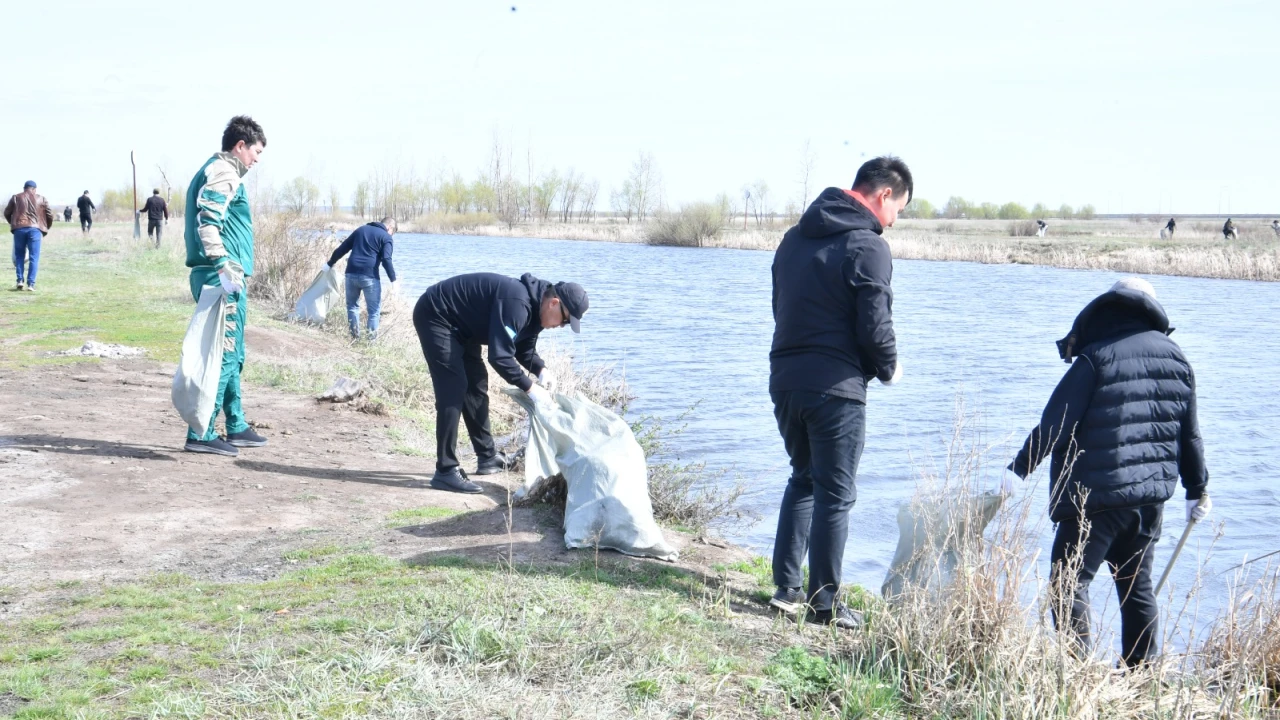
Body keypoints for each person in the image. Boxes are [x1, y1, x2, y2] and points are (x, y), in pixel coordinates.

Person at [1002, 277, 1211, 668]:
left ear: (1109, 309)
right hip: (1148, 502)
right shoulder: (1177, 357)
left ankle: (1077, 672)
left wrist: (1018, 469)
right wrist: (1197, 489)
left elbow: (1056, 422)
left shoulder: (1095, 357)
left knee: (1068, 585)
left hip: (1092, 499)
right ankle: (1141, 673)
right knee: (1137, 587)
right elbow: (1190, 433)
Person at [766, 156, 911, 629]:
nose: (895, 221)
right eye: (900, 209)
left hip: (785, 377)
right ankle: (824, 605)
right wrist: (887, 368)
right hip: (836, 386)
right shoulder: (868, 245)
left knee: (803, 477)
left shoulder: (793, 239)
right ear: (884, 194)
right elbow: (875, 324)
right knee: (836, 493)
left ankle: (787, 589)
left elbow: (780, 306)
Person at [412, 272, 588, 493]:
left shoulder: (537, 311)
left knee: (476, 386)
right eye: (564, 320)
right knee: (453, 389)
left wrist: (541, 370)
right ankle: (446, 471)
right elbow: (500, 357)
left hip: (464, 329)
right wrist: (531, 389)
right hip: (437, 315)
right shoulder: (518, 303)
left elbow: (523, 350)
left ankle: (487, 457)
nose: (561, 326)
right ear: (554, 303)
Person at [180, 115, 268, 457]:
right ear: (240, 146)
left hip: (221, 276)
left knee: (234, 351)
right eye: (256, 151)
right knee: (225, 353)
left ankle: (236, 425)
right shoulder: (224, 171)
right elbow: (208, 220)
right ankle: (200, 432)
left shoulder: (216, 169)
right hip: (221, 277)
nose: (257, 160)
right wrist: (223, 264)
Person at [325, 217, 397, 340]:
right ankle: (370, 342)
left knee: (352, 307)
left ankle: (354, 338)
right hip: (370, 276)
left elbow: (343, 248)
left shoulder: (361, 230)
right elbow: (386, 259)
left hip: (351, 273)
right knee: (374, 312)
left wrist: (330, 263)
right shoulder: (386, 237)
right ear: (390, 228)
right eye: (393, 233)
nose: (392, 235)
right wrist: (393, 280)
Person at [4, 181, 54, 292]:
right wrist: (45, 227)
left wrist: (14, 223)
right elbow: (49, 214)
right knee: (34, 257)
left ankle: (20, 281)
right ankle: (31, 284)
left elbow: (7, 212)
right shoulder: (42, 198)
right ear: (35, 189)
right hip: (35, 229)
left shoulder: (16, 197)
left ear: (24, 188)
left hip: (19, 229)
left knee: (19, 256)